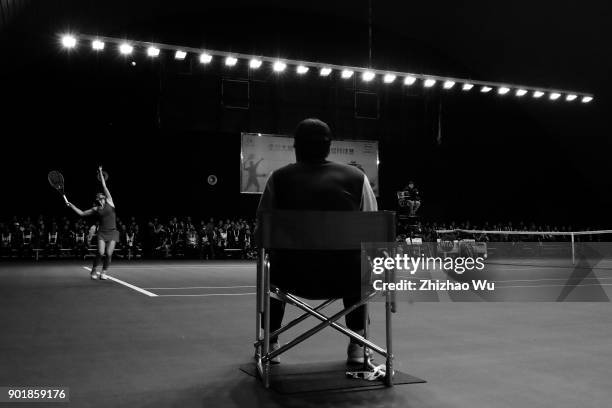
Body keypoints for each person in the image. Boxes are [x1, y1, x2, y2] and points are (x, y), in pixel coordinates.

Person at [256, 118, 377, 366]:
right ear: (329, 146)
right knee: (360, 265)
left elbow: (261, 234)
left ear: (296, 147)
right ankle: (357, 344)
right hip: (346, 279)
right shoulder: (357, 178)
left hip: (290, 276)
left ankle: (271, 341)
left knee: (271, 266)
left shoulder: (278, 179)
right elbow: (374, 230)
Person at [67, 166, 119, 280]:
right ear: (97, 199)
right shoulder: (96, 209)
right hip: (102, 232)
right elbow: (81, 213)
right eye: (99, 196)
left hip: (113, 232)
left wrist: (100, 172)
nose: (100, 197)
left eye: (102, 196)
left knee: (109, 254)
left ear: (104, 197)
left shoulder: (110, 201)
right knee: (100, 253)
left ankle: (104, 272)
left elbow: (104, 185)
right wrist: (71, 205)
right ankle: (94, 270)